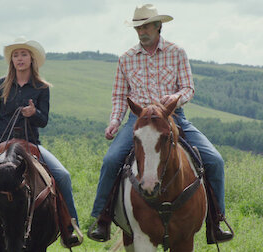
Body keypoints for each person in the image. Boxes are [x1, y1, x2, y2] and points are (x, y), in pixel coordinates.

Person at [87, 4, 233, 244]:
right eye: (138, 27)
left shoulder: (177, 52)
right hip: (139, 120)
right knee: (111, 160)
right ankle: (101, 219)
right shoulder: (126, 59)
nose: (141, 31)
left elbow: (188, 87)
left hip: (173, 118)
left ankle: (216, 221)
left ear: (158, 26)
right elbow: (118, 96)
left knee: (214, 160)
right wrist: (114, 122)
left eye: (146, 26)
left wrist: (176, 99)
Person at [0, 37, 81, 248]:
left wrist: (34, 113)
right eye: (16, 55)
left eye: (24, 54)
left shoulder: (41, 88)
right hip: (0, 144)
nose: (19, 59)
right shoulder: (1, 85)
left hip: (30, 145)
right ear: (11, 60)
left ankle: (70, 227)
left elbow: (44, 120)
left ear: (32, 59)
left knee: (63, 176)